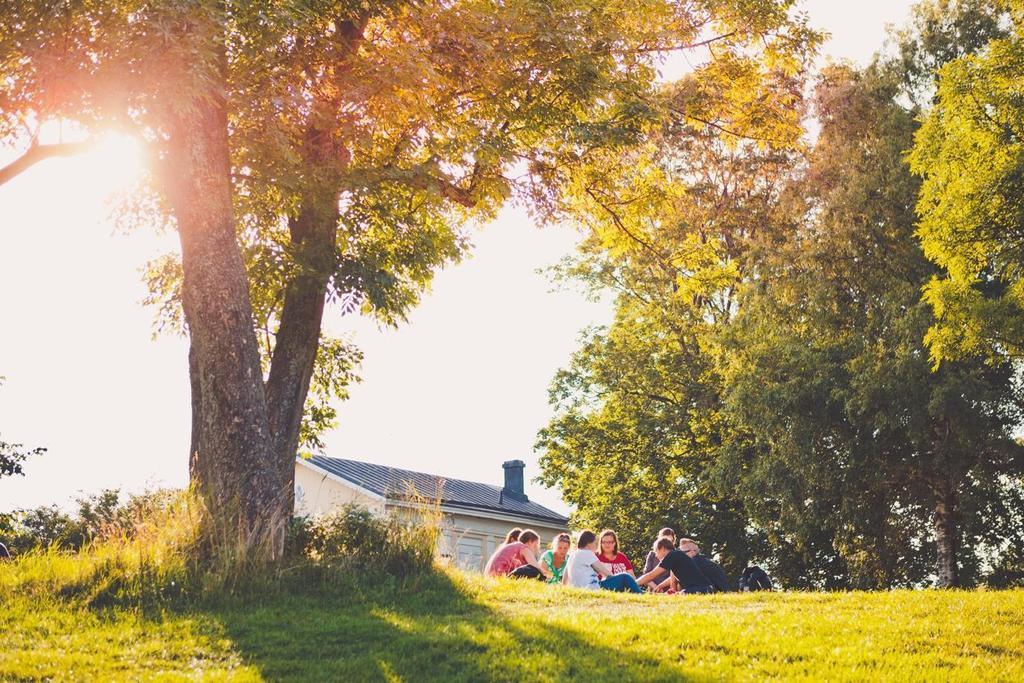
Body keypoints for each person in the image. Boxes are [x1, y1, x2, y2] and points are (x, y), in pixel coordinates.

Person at [564, 530, 643, 593]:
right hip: (592, 588)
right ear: (589, 544)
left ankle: (642, 592)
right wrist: (617, 581)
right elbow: (606, 573)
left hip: (578, 589)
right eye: (595, 543)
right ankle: (641, 594)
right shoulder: (587, 553)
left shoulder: (572, 555)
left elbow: (564, 580)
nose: (596, 546)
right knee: (625, 576)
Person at [636, 537, 713, 594]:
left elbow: (651, 575)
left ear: (662, 548)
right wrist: (660, 586)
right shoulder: (676, 555)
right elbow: (672, 579)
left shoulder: (671, 555)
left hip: (700, 589)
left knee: (676, 595)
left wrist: (633, 583)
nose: (656, 555)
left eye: (656, 551)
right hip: (704, 588)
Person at [484, 529, 551, 580]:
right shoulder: (524, 548)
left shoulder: (514, 546)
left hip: (490, 577)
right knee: (534, 571)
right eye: (536, 545)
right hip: (499, 576)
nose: (536, 549)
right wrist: (548, 576)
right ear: (530, 542)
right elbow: (536, 566)